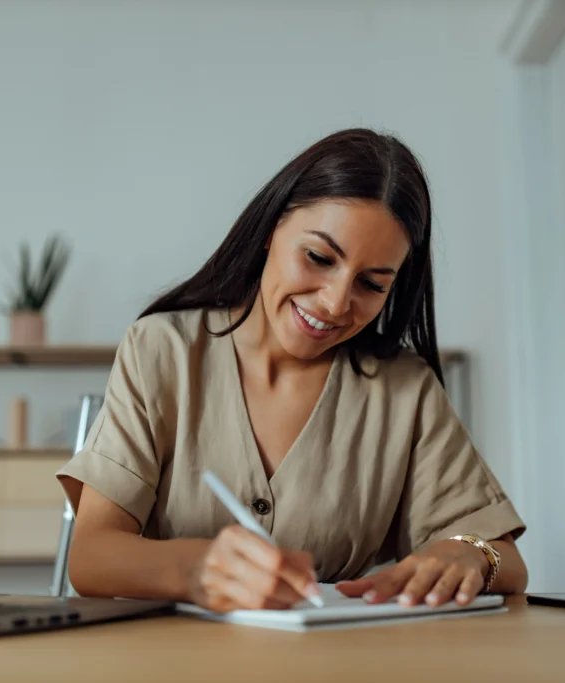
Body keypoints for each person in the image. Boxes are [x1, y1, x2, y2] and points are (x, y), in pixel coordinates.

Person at [56, 128, 528, 613]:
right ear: (270, 230)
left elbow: (509, 562)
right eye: (319, 258)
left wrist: (470, 555)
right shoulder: (163, 350)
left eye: (371, 284)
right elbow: (91, 557)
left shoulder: (404, 390)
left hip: (338, 650)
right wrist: (199, 570)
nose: (336, 303)